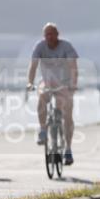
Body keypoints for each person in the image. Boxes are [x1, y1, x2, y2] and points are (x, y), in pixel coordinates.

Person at [27, 22, 78, 165]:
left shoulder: (66, 46)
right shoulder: (40, 46)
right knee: (42, 96)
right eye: (46, 34)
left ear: (57, 34)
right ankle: (43, 129)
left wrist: (73, 84)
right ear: (44, 36)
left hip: (65, 83)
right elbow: (33, 66)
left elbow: (73, 67)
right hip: (47, 82)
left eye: (52, 34)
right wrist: (30, 82)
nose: (49, 37)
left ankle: (68, 149)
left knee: (67, 115)